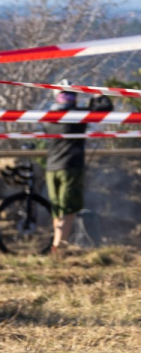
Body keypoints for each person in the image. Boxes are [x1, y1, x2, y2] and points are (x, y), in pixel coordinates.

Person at [45, 81, 111, 252]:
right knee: (68, 209)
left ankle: (57, 244)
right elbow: (105, 108)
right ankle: (60, 247)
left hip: (51, 167)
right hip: (71, 167)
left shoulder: (49, 118)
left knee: (57, 209)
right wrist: (97, 95)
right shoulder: (76, 116)